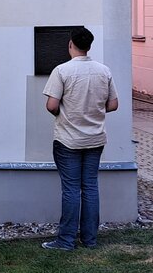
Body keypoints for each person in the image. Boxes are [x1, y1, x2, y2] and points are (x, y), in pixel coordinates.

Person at [40, 27, 118, 251]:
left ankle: (65, 241)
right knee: (90, 187)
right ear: (89, 46)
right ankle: (90, 239)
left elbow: (51, 105)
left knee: (71, 189)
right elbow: (113, 104)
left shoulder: (62, 71)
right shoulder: (103, 71)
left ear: (70, 44)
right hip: (95, 139)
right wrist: (93, 111)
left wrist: (67, 113)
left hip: (68, 139)